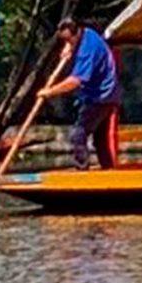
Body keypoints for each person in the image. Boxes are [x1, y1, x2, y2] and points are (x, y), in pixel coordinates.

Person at [35, 18, 119, 170]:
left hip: (100, 96)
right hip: (107, 94)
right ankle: (108, 170)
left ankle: (82, 169)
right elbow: (74, 38)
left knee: (78, 134)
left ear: (76, 34)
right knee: (100, 138)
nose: (67, 43)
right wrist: (68, 46)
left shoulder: (87, 51)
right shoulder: (87, 33)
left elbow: (75, 81)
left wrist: (50, 92)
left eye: (68, 40)